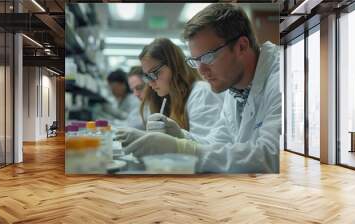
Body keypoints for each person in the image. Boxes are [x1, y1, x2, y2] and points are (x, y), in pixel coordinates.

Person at [123, 3, 281, 173]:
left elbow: (271, 156)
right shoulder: (233, 88)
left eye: (208, 57)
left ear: (241, 46)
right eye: (196, 61)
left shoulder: (283, 79)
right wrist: (180, 136)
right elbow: (218, 143)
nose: (202, 71)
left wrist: (180, 149)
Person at [115, 38, 224, 146]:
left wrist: (178, 137)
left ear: (174, 66)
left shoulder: (201, 92)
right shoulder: (165, 98)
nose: (150, 82)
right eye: (147, 76)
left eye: (155, 73)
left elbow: (207, 150)